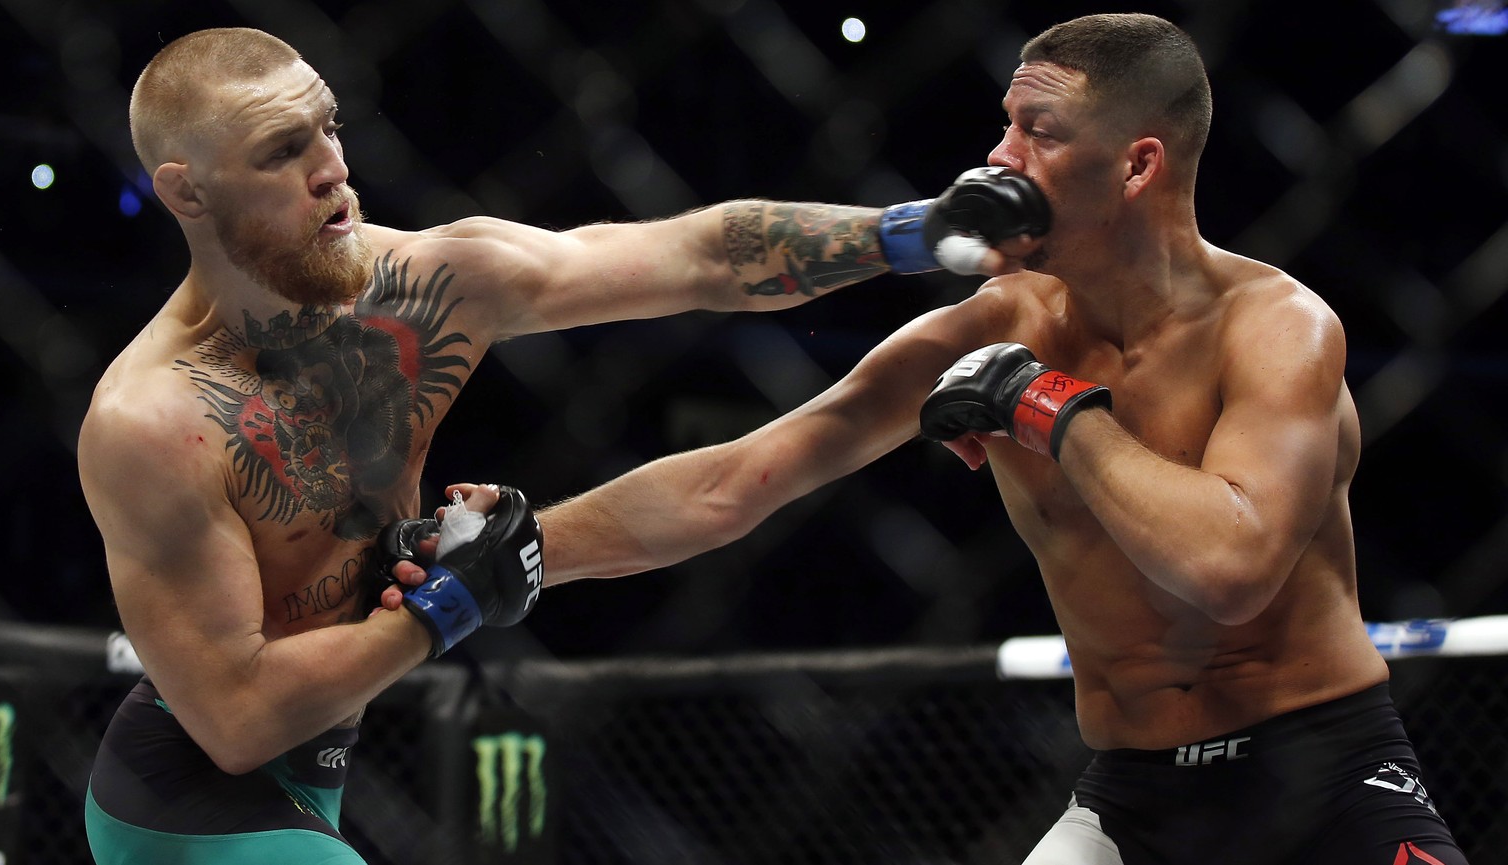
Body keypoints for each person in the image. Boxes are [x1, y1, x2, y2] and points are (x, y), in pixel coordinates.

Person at [436, 13, 1468, 865]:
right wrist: (529, 550)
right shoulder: (989, 326)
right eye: (1003, 126)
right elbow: (742, 478)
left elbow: (1230, 567)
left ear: (1138, 163)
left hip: (1327, 772)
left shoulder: (1277, 327)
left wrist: (1045, 407)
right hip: (1135, 799)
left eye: (1039, 132)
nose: (998, 160)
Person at [73, 26, 1043, 865]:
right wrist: (449, 604)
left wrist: (911, 233)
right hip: (186, 795)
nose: (331, 166)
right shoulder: (150, 420)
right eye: (282, 150)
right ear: (186, 193)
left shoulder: (434, 281)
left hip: (321, 771)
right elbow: (236, 721)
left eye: (328, 124)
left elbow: (698, 255)